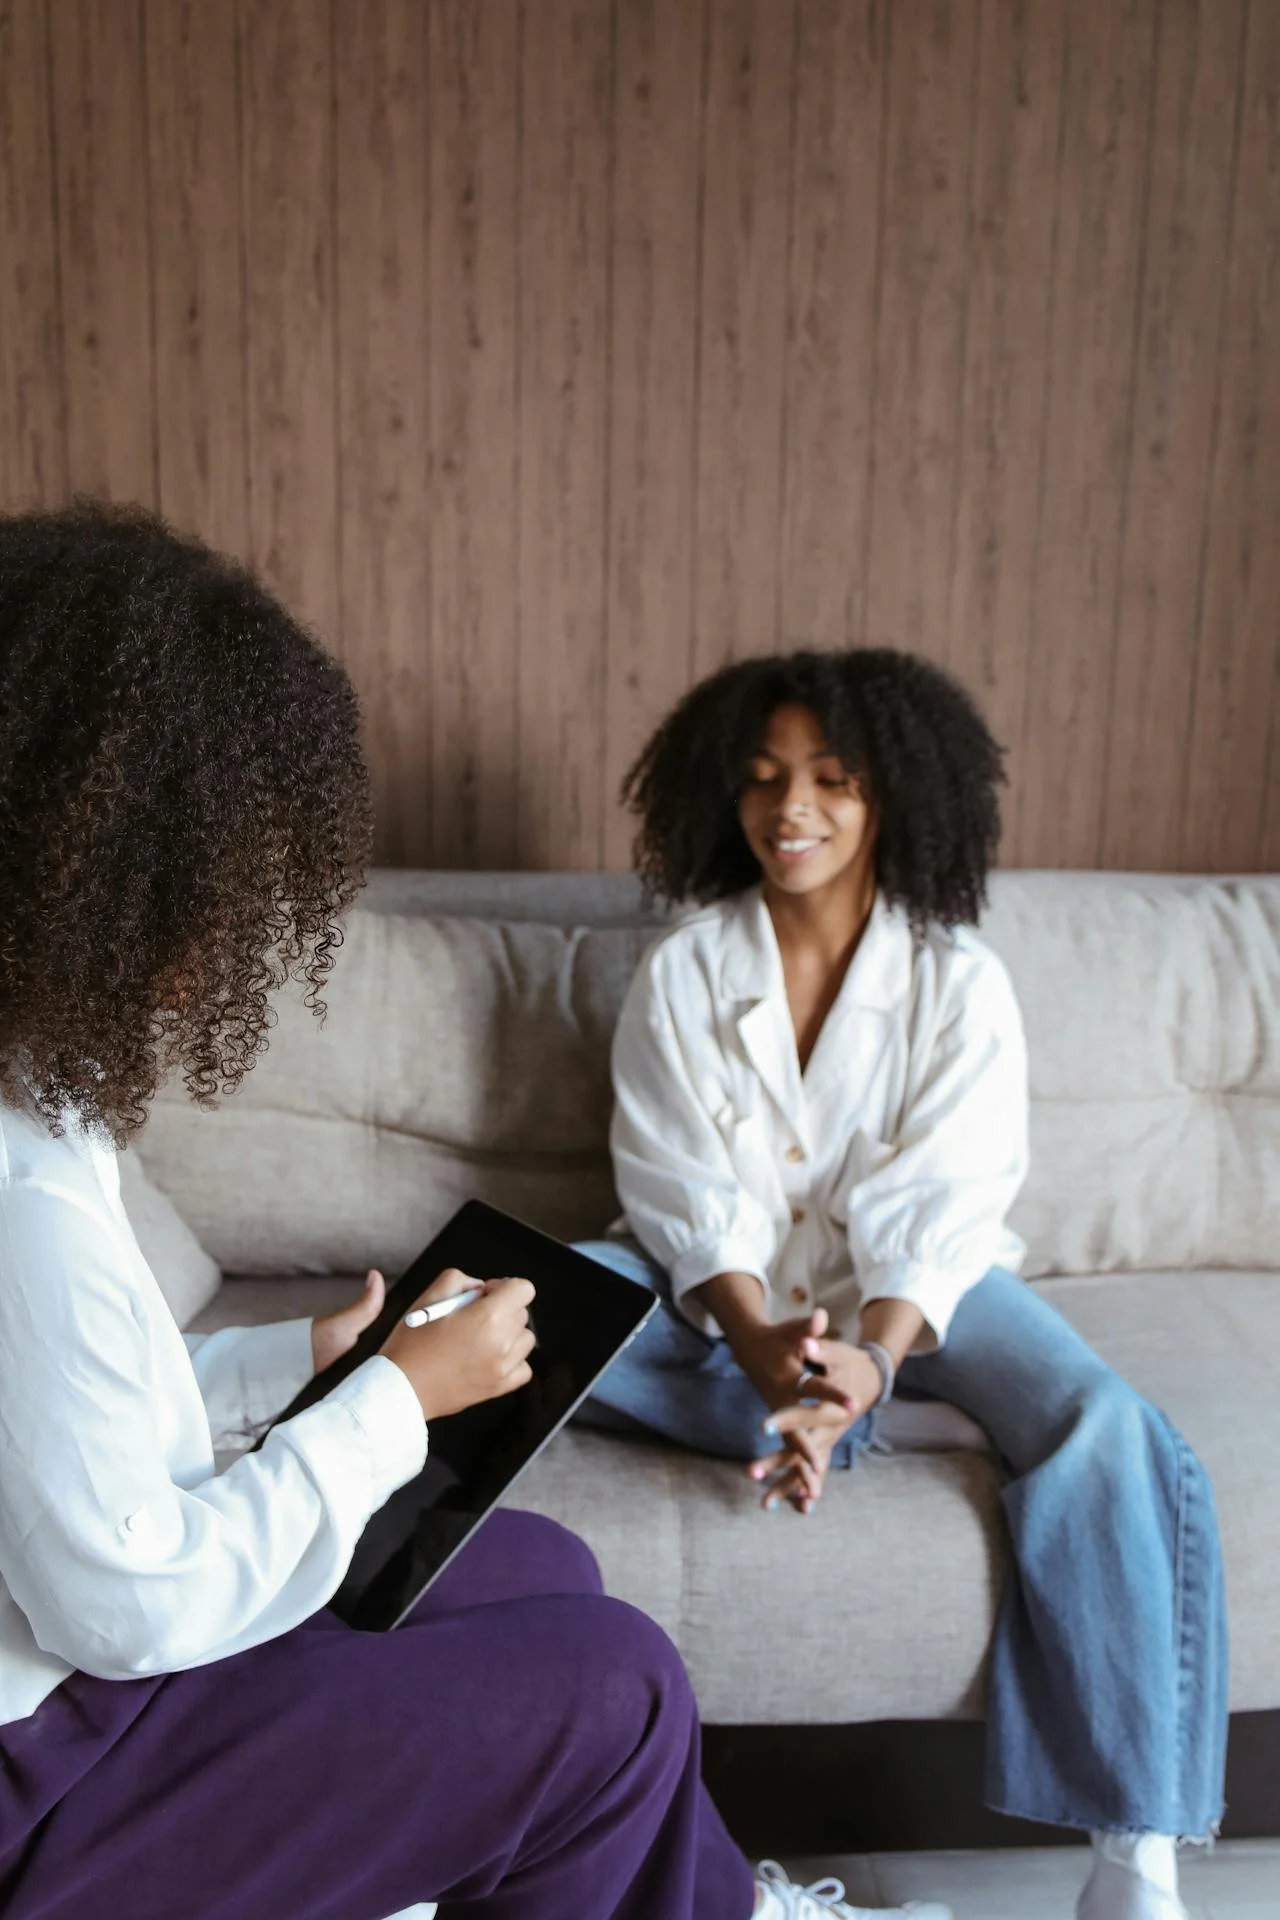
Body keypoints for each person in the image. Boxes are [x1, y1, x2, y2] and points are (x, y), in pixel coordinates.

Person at [0, 505, 953, 1920]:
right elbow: (128, 1605)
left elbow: (63, 1426)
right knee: (613, 1689)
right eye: (231, 885)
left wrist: (299, 1371)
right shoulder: (23, 1200)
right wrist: (386, 1406)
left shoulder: (42, 1108)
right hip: (60, 1775)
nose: (246, 931)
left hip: (84, 1688)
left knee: (544, 1564)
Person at [578, 648, 1229, 1920]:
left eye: (831, 778)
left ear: (894, 798)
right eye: (763, 780)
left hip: (926, 1297)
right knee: (533, 1309)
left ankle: (1131, 1854)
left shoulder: (957, 984)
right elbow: (677, 1188)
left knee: (1104, 1422)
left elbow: (940, 1201)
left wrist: (867, 1358)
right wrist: (765, 1343)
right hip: (728, 1299)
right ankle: (835, 1412)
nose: (790, 811)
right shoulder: (684, 974)